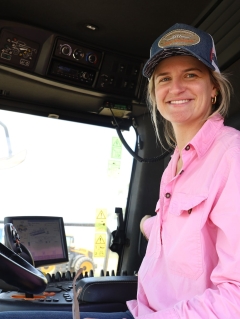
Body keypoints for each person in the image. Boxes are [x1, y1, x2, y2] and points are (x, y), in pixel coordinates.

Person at [1, 22, 240, 319]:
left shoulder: (232, 156)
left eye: (191, 74)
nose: (176, 88)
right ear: (154, 93)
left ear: (214, 87)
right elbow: (189, 234)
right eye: (164, 78)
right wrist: (145, 224)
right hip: (142, 308)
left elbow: (236, 298)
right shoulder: (179, 161)